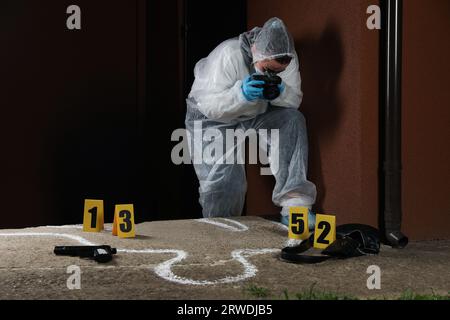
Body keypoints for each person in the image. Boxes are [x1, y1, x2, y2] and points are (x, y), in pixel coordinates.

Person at [185, 17, 317, 229]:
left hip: (258, 110)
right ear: (256, 50)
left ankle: (295, 206)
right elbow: (209, 105)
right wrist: (240, 94)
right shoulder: (228, 55)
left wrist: (281, 92)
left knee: (292, 120)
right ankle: (221, 226)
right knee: (224, 181)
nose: (271, 75)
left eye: (277, 72)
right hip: (213, 116)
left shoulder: (286, 59)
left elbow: (294, 100)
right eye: (267, 69)